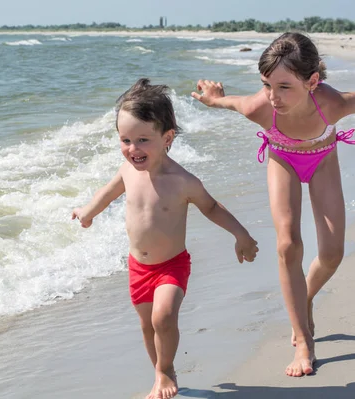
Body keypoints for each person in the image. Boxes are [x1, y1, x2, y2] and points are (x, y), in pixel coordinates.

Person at [191, 32, 355, 377]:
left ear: (312, 81)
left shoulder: (333, 103)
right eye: (267, 84)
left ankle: (305, 296)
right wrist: (214, 99)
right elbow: (232, 103)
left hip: (322, 160)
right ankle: (303, 339)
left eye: (284, 87)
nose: (273, 96)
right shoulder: (260, 108)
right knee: (288, 244)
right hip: (282, 161)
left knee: (332, 254)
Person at [72, 78, 259, 398]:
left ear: (167, 138)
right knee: (148, 326)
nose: (132, 149)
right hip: (138, 267)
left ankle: (166, 370)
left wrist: (241, 236)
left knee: (163, 317)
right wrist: (89, 211)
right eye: (125, 139)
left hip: (172, 266)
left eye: (142, 139)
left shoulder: (182, 181)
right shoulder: (127, 170)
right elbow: (107, 193)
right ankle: (158, 371)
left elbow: (212, 208)